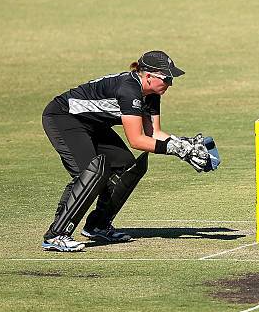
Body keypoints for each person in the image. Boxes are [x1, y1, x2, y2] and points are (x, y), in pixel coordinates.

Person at [41, 50, 219, 252]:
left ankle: (98, 225)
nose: (170, 84)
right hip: (63, 118)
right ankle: (56, 235)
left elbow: (154, 133)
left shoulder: (151, 94)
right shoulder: (129, 90)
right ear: (149, 76)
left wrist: (184, 145)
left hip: (92, 125)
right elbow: (136, 140)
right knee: (91, 172)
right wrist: (177, 150)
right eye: (166, 78)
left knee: (126, 166)